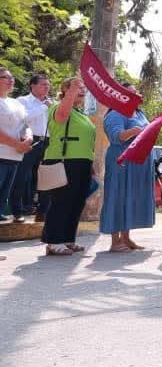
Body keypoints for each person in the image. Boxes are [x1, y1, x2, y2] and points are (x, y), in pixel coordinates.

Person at [40, 77, 96, 256]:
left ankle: (67, 239)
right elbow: (61, 117)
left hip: (81, 162)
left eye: (83, 88)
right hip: (64, 160)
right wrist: (72, 90)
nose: (82, 90)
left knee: (76, 202)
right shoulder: (57, 106)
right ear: (65, 89)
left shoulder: (81, 113)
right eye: (77, 87)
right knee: (61, 202)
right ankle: (53, 241)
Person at [100, 85, 156, 252]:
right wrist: (136, 131)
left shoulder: (139, 113)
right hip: (121, 161)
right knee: (118, 196)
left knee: (129, 198)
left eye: (135, 91)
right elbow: (116, 136)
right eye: (130, 92)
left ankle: (126, 237)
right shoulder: (115, 113)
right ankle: (114, 240)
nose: (135, 94)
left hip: (138, 164)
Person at [13, 73, 51, 223]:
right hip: (29, 140)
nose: (46, 87)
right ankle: (18, 211)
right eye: (43, 84)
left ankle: (42, 211)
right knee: (21, 176)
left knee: (45, 177)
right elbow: (23, 118)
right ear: (32, 85)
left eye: (48, 85)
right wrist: (43, 107)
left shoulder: (50, 103)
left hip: (47, 141)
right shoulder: (22, 100)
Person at [0, 67, 32, 242]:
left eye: (12, 78)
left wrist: (27, 139)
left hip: (15, 158)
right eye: (6, 77)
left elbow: (25, 125)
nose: (11, 80)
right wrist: (16, 144)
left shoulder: (16, 103)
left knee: (2, 201)